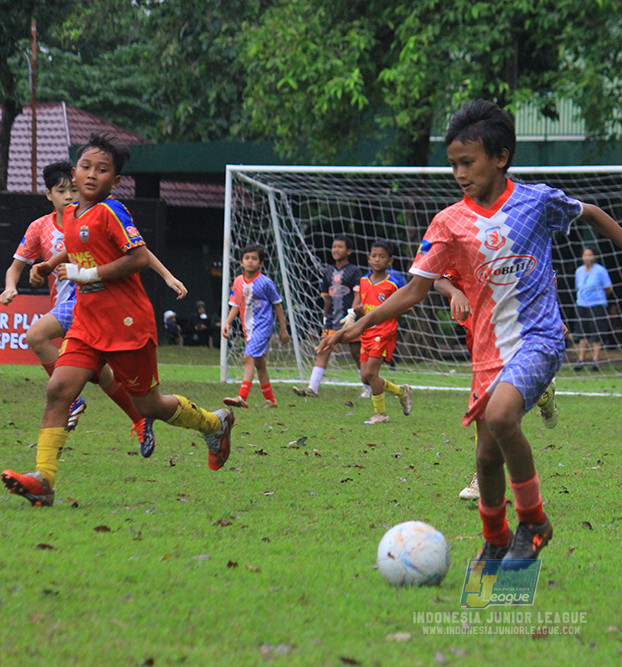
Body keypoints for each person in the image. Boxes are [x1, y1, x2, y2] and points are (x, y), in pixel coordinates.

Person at [317, 100, 622, 569]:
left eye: (468, 162)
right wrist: (362, 323)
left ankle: (535, 522)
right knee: (486, 458)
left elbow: (591, 213)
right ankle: (496, 538)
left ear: (501, 157)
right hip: (488, 352)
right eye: (453, 164)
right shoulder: (448, 222)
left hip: (540, 338)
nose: (459, 173)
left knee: (503, 417)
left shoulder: (536, 202)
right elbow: (417, 289)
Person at [1, 133, 235, 507]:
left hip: (126, 324)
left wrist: (85, 275)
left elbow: (137, 257)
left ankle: (214, 423)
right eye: (86, 167)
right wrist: (50, 263)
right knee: (59, 389)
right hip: (87, 322)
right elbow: (79, 246)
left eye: (102, 169)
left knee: (149, 406)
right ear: (74, 174)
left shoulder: (112, 211)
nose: (92, 174)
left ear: (116, 180)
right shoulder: (72, 214)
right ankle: (44, 480)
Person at [2, 160, 187, 448]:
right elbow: (17, 266)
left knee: (36, 335)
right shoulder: (41, 227)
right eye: (61, 191)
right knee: (102, 376)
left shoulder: (99, 214)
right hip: (69, 304)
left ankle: (73, 401)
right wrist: (14, 285)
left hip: (85, 300)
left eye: (72, 190)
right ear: (48, 194)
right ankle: (138, 419)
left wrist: (167, 276)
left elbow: (138, 251)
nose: (68, 196)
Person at [434, 270, 559, 502]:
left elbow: (547, 277)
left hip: (518, 328)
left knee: (498, 405)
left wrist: (553, 316)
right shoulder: (466, 249)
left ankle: (485, 479)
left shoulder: (517, 249)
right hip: (479, 331)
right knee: (487, 401)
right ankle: (544, 395)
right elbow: (439, 279)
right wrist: (455, 293)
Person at [293, 235, 367, 398]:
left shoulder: (354, 271)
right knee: (323, 350)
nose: (336, 250)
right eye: (334, 247)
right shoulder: (328, 271)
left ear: (349, 251)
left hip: (350, 320)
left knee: (357, 353)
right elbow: (326, 298)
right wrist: (325, 317)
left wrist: (352, 314)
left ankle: (368, 388)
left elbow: (358, 294)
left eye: (340, 247)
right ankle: (312, 388)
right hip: (332, 320)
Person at [347, 239, 412, 424]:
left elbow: (408, 306)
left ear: (390, 260)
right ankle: (401, 391)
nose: (377, 260)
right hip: (368, 332)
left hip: (384, 332)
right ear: (368, 259)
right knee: (365, 377)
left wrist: (389, 312)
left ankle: (381, 414)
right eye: (374, 256)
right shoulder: (363, 281)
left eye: (382, 256)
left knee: (371, 374)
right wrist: (359, 312)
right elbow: (364, 306)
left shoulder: (393, 283)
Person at [222, 243, 291, 408]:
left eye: (254, 258)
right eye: (247, 258)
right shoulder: (238, 282)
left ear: (261, 263)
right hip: (248, 328)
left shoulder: (266, 282)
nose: (250, 261)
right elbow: (236, 305)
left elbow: (278, 305)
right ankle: (271, 400)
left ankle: (242, 397)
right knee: (259, 363)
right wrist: (227, 322)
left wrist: (283, 329)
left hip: (263, 327)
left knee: (247, 358)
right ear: (241, 262)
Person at [573, 247, 613, 371]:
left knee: (597, 332)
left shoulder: (601, 270)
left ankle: (595, 360)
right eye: (585, 255)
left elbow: (608, 288)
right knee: (582, 332)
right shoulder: (579, 271)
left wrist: (598, 297)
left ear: (594, 257)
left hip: (597, 304)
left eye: (589, 255)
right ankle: (581, 359)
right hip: (582, 304)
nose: (587, 258)